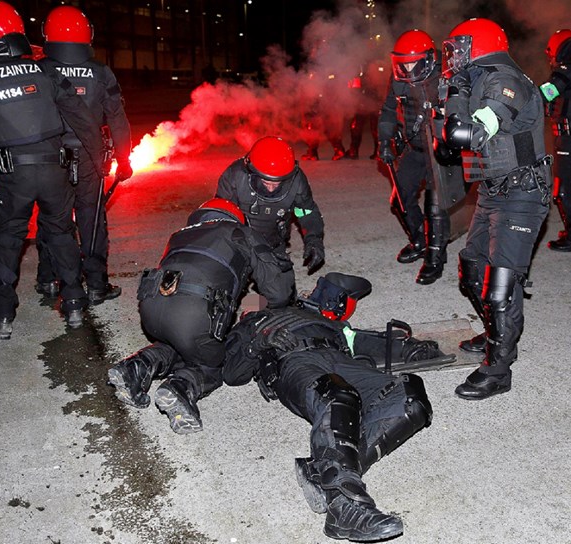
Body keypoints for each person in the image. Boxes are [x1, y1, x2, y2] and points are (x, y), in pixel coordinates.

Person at [222, 272, 443, 542]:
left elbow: (361, 341)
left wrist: (409, 349)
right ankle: (343, 506)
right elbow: (232, 373)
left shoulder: (317, 318)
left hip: (339, 357)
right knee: (338, 395)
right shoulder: (250, 324)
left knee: (411, 400)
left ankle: (325, 471)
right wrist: (259, 343)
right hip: (293, 362)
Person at [0, 0, 105, 339]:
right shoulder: (46, 71)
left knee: (6, 241)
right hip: (56, 171)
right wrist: (97, 161)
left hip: (14, 176)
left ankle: (1, 317)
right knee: (61, 234)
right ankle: (75, 305)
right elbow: (80, 117)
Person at [107, 198, 295, 434]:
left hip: (151, 311)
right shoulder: (242, 232)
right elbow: (277, 292)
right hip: (192, 316)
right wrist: (268, 304)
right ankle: (180, 388)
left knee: (182, 344)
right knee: (211, 364)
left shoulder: (178, 235)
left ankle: (136, 366)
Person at [441, 18, 552, 399]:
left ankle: (499, 369)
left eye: (458, 48)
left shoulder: (507, 81)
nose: (453, 57)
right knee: (472, 268)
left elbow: (471, 133)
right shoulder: (478, 79)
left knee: (500, 288)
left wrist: (453, 112)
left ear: (480, 46)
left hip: (522, 195)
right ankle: (495, 334)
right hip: (494, 191)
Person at [35, 5, 133, 305]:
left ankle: (50, 278)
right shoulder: (101, 72)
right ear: (87, 33)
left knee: (53, 220)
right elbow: (117, 118)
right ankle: (96, 284)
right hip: (90, 159)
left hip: (51, 159)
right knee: (92, 221)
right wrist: (123, 158)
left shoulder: (39, 70)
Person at [377, 29, 452, 285]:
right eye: (403, 63)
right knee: (400, 198)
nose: (408, 68)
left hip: (439, 149)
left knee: (435, 206)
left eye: (413, 62)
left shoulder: (446, 75)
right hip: (414, 147)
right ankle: (420, 239)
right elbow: (388, 110)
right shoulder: (399, 79)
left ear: (428, 58)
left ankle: (435, 258)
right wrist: (385, 140)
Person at [215, 136, 325, 273]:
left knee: (281, 292)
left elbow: (306, 212)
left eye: (276, 183)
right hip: (238, 243)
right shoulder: (235, 176)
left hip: (273, 244)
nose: (271, 188)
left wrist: (314, 240)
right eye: (266, 182)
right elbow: (220, 216)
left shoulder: (296, 180)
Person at [540, 29, 571, 251]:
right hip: (565, 137)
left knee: (563, 191)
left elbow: (550, 91)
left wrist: (529, 98)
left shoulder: (566, 67)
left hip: (568, 140)